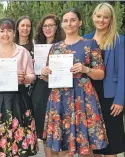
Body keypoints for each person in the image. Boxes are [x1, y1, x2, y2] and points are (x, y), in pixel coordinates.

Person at [41, 8, 108, 156]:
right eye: (65, 20)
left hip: (83, 98)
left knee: (86, 146)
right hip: (60, 99)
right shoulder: (55, 47)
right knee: (62, 145)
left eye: (73, 20)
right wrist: (44, 73)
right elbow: (49, 78)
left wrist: (85, 69)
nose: (69, 23)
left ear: (80, 23)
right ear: (62, 25)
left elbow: (101, 74)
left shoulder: (90, 44)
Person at [0, 18, 38, 156]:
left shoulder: (23, 52)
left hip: (18, 100)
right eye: (2, 31)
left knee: (19, 143)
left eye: (9, 30)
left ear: (14, 32)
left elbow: (32, 75)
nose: (5, 34)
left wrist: (24, 78)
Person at [83, 3, 125, 156]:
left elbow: (123, 73)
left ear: (111, 19)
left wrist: (120, 100)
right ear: (93, 16)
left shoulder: (119, 41)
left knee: (111, 144)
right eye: (98, 16)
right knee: (93, 143)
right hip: (88, 96)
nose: (101, 20)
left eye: (105, 17)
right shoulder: (85, 39)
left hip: (110, 97)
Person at [31, 14, 64, 157]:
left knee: (60, 130)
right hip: (41, 90)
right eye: (45, 26)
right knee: (44, 132)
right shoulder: (37, 46)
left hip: (59, 90)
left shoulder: (63, 45)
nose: (48, 28)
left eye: (51, 25)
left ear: (57, 27)